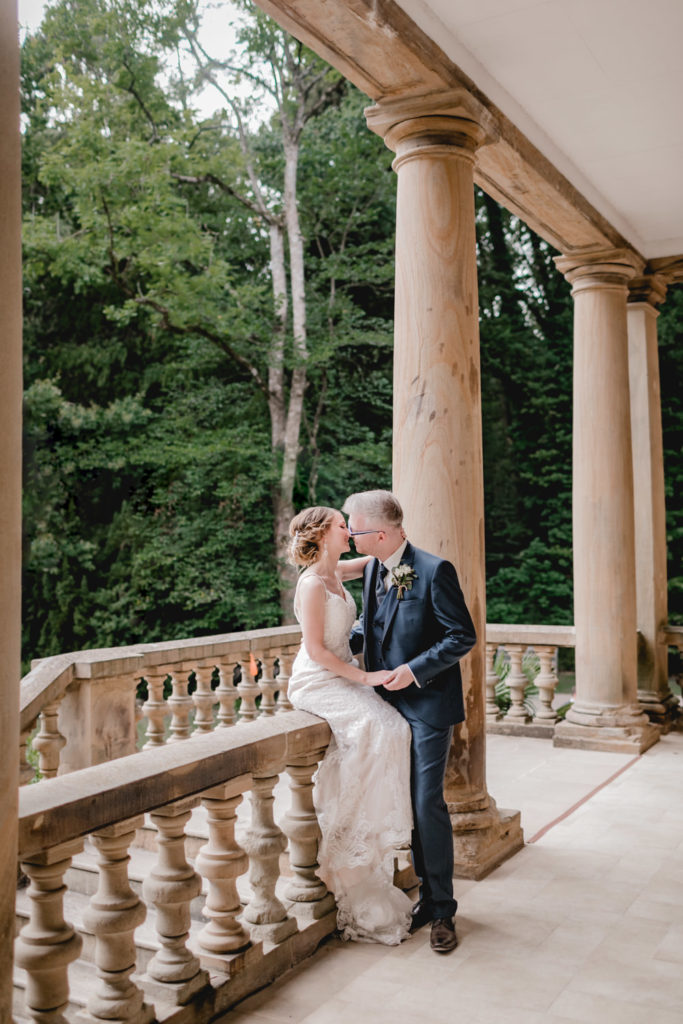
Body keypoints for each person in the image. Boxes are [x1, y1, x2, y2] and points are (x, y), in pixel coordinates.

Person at [342, 490, 476, 954]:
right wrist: (339, 645)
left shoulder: (435, 571)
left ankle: (442, 909)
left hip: (428, 707)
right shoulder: (373, 568)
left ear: (380, 533)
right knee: (399, 804)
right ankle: (423, 897)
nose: (350, 536)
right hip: (383, 706)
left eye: (354, 530)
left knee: (424, 804)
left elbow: (461, 635)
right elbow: (370, 624)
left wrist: (414, 670)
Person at [286, 505, 414, 945]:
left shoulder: (338, 571)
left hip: (342, 674)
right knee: (372, 727)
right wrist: (365, 678)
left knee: (394, 726)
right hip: (318, 679)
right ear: (323, 534)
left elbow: (380, 555)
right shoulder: (311, 584)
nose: (350, 531)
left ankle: (374, 829)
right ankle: (348, 834)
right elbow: (317, 651)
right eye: (343, 526)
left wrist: (391, 539)